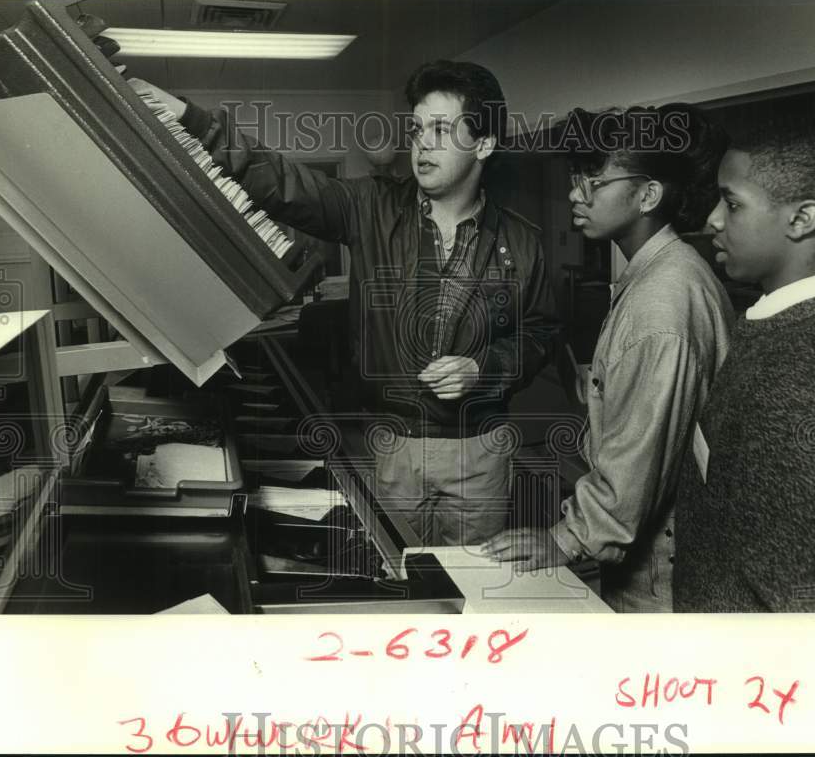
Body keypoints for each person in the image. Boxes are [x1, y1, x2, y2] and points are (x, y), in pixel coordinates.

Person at [128, 60, 559, 547]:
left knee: (473, 589)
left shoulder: (523, 243)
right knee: (403, 581)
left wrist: (483, 368)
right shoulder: (370, 206)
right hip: (394, 447)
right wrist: (194, 122)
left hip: (481, 453)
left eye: (442, 129)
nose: (422, 143)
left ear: (483, 144)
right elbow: (282, 181)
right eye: (417, 128)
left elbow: (538, 334)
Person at [483, 104, 734, 612]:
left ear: (648, 194)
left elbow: (640, 459)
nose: (576, 192)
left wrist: (565, 538)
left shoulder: (664, 298)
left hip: (663, 580)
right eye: (578, 177)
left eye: (594, 180)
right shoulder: (660, 273)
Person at [673, 121, 815, 612]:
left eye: (732, 204)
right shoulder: (783, 326)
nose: (713, 219)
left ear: (802, 219)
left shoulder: (808, 387)